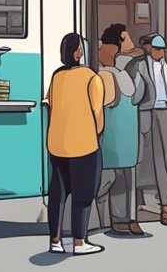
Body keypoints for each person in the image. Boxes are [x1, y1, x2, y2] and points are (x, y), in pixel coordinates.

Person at [47, 33, 106, 255]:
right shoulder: (92, 78)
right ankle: (79, 242)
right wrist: (95, 134)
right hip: (83, 145)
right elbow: (98, 115)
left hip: (56, 144)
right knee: (83, 195)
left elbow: (52, 105)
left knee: (58, 194)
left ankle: (55, 241)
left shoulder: (56, 76)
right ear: (78, 52)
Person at [95, 24, 144, 236]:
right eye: (125, 38)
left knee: (123, 178)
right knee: (111, 178)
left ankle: (125, 218)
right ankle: (116, 219)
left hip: (124, 135)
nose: (130, 42)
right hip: (114, 135)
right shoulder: (107, 74)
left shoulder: (124, 71)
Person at [131, 33, 167, 227]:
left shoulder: (165, 66)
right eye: (157, 48)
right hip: (146, 113)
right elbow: (135, 95)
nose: (160, 52)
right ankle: (134, 207)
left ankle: (166, 208)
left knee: (166, 161)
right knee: (141, 160)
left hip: (165, 112)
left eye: (162, 49)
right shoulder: (139, 65)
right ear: (148, 47)